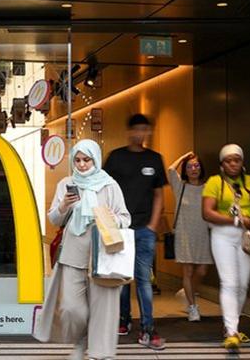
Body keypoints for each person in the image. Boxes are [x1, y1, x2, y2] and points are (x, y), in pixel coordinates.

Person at [34, 139, 131, 360]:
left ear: (95, 159)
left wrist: (107, 217)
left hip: (103, 254)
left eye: (86, 159)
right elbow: (54, 218)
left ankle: (99, 352)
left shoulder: (109, 185)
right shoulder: (66, 183)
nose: (82, 164)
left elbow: (126, 218)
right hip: (72, 254)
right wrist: (64, 205)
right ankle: (80, 341)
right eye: (77, 160)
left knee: (103, 309)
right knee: (71, 309)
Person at [103, 114, 168, 350]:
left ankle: (147, 327)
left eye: (145, 130)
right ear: (129, 132)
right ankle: (124, 319)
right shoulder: (116, 158)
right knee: (121, 278)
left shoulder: (155, 159)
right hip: (120, 229)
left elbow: (159, 194)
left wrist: (152, 225)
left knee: (143, 280)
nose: (141, 134)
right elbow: (105, 190)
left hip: (144, 229)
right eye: (137, 130)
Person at [201, 143, 250, 350]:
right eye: (229, 160)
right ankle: (231, 331)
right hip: (223, 236)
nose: (233, 164)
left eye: (237, 160)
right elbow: (207, 213)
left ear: (242, 162)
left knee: (243, 284)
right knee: (229, 283)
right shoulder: (214, 182)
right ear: (222, 164)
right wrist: (236, 221)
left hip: (247, 237)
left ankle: (233, 325)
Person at [167, 151, 213, 322]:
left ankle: (187, 293)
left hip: (203, 233)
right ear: (185, 170)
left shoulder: (208, 187)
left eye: (196, 165)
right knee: (188, 270)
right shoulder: (181, 186)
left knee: (202, 270)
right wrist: (184, 156)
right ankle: (193, 307)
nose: (194, 169)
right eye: (189, 166)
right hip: (184, 233)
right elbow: (171, 170)